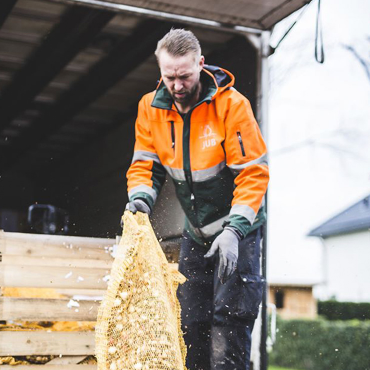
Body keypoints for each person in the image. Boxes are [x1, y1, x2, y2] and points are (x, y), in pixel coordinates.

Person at [126, 28, 269, 370]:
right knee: (191, 327)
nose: (177, 86)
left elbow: (253, 173)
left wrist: (235, 231)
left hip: (238, 235)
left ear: (200, 65)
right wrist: (140, 199)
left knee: (228, 329)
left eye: (185, 76)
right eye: (169, 77)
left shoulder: (231, 106)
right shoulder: (150, 108)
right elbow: (146, 164)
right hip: (196, 233)